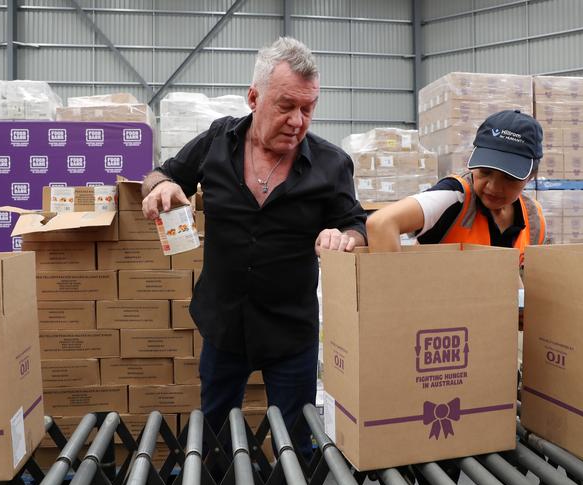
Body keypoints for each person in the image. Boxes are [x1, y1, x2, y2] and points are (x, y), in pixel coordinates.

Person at [141, 37, 366, 457]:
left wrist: (345, 238)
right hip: (224, 324)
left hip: (290, 330)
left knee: (294, 444)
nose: (298, 121)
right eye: (286, 106)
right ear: (254, 97)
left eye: (308, 108)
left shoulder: (331, 164)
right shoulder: (216, 142)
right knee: (214, 435)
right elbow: (159, 174)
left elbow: (356, 223)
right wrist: (163, 186)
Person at [367, 109, 546, 263]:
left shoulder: (532, 218)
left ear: (531, 176)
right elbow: (381, 223)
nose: (493, 187)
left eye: (509, 178)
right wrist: (395, 295)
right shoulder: (454, 198)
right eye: (485, 172)